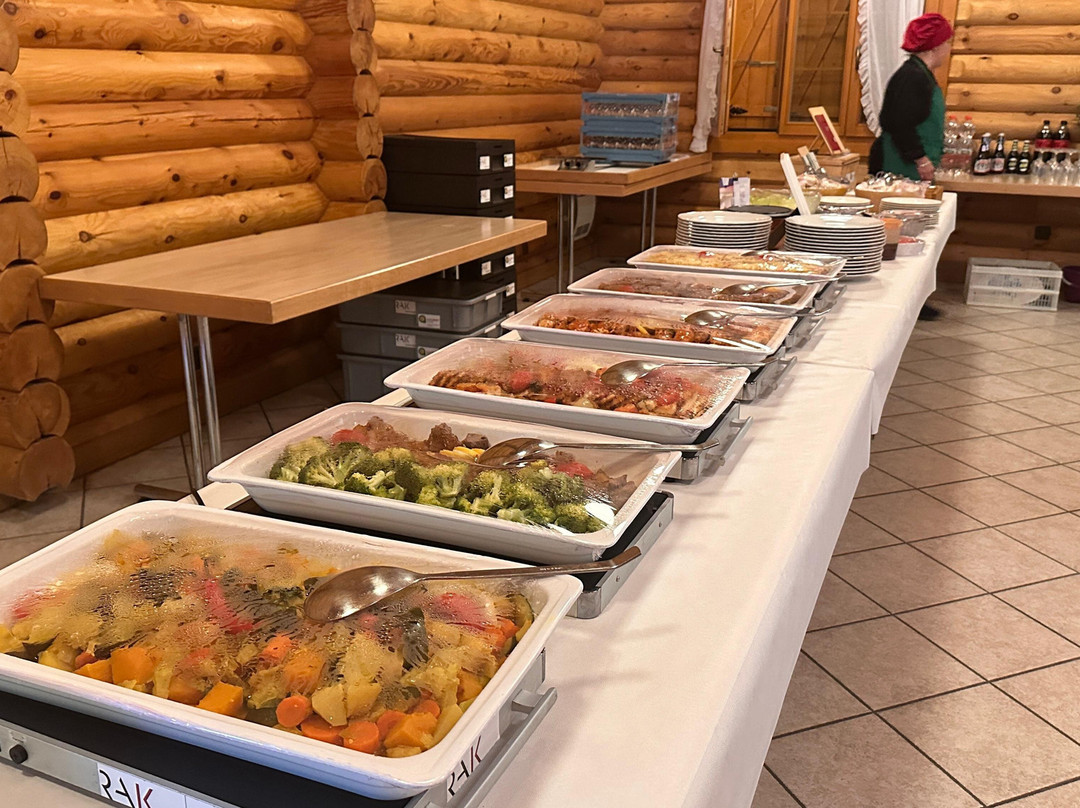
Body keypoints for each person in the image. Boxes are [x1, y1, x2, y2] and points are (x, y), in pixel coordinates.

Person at [868, 12, 953, 319]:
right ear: (936, 45)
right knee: (898, 233)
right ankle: (896, 297)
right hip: (899, 164)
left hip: (908, 163)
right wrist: (921, 158)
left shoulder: (920, 74)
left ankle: (912, 297)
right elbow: (898, 122)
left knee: (910, 234)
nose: (949, 47)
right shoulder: (912, 77)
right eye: (948, 42)